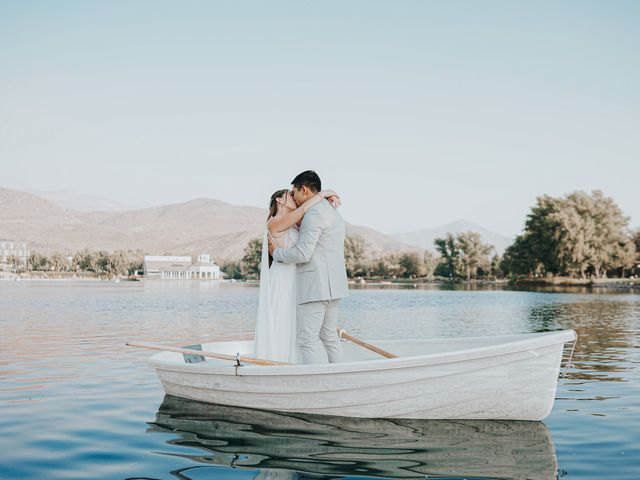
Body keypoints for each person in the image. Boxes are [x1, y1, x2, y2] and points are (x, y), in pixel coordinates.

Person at [268, 170, 349, 364]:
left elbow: (303, 253)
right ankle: (338, 379)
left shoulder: (313, 213)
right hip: (335, 285)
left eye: (294, 193)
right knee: (329, 336)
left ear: (304, 190)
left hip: (315, 286)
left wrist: (276, 254)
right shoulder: (332, 211)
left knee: (307, 339)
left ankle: (318, 382)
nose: (293, 197)